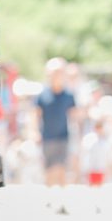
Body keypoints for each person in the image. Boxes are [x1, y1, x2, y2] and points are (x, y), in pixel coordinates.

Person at [35, 58, 77, 194]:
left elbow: (74, 115)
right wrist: (35, 132)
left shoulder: (68, 95)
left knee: (62, 169)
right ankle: (49, 198)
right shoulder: (42, 95)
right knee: (49, 169)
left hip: (63, 136)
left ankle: (63, 199)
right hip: (47, 136)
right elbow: (35, 115)